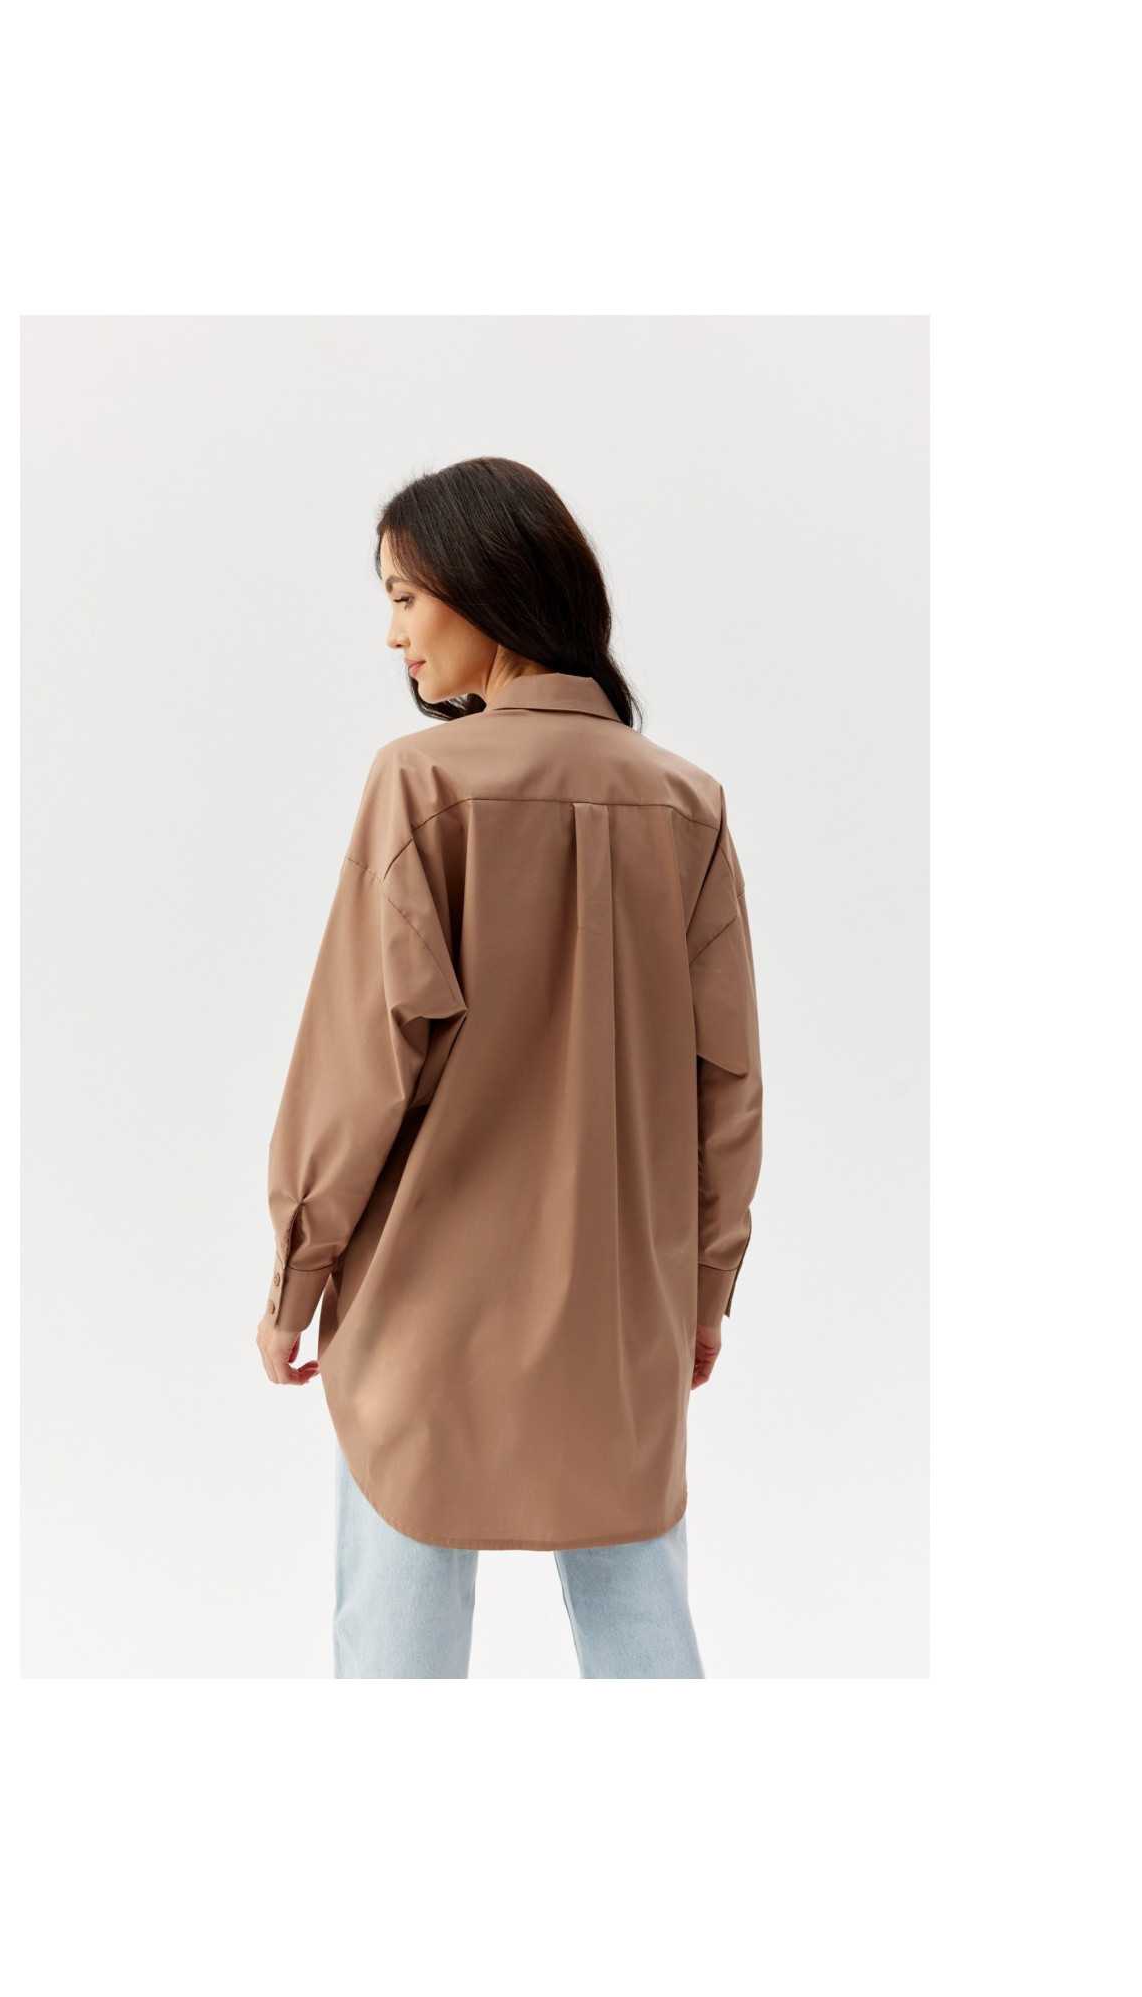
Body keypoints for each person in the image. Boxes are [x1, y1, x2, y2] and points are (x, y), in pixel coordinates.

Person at [255, 456, 763, 1677]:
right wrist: (702, 1290)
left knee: (397, 1650)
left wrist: (294, 1279)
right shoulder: (686, 804)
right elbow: (725, 1086)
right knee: (643, 1630)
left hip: (425, 1302)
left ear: (486, 588)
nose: (393, 635)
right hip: (620, 1305)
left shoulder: (422, 782)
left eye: (404, 597)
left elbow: (356, 1064)